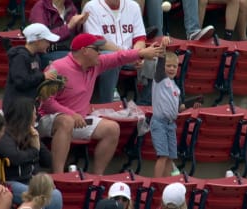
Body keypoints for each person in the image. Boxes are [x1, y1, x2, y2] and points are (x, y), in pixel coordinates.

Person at [37, 33, 163, 174]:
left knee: (112, 128)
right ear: (84, 50)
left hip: (79, 119)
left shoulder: (96, 64)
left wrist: (141, 53)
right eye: (96, 49)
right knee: (66, 122)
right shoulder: (58, 67)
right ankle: (58, 176)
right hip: (49, 119)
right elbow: (46, 103)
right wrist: (71, 115)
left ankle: (97, 178)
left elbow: (118, 57)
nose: (100, 52)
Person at [0, 98, 63, 209]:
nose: (36, 117)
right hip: (10, 182)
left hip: (31, 180)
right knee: (43, 198)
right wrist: (34, 150)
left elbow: (48, 161)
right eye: (34, 114)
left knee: (56, 195)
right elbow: (15, 158)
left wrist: (37, 141)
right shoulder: (4, 134)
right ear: (26, 116)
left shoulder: (31, 134)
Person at [151, 38, 200, 177]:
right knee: (162, 155)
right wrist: (163, 47)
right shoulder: (160, 78)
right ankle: (157, 182)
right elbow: (160, 61)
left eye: (175, 66)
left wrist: (192, 104)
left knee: (170, 157)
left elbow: (180, 108)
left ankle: (166, 183)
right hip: (159, 122)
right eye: (169, 65)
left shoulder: (176, 88)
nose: (172, 68)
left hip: (171, 124)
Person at [82, 0, 148, 103]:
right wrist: (129, 55)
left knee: (155, 59)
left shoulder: (133, 6)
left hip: (131, 56)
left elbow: (140, 38)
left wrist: (137, 55)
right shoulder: (91, 7)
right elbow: (98, 41)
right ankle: (106, 105)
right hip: (104, 53)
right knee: (111, 58)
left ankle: (145, 105)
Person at [2, 23, 59, 113]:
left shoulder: (36, 57)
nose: (49, 44)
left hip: (29, 106)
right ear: (37, 41)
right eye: (47, 41)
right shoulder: (20, 57)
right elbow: (20, 81)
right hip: (17, 108)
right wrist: (43, 76)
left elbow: (33, 80)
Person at [29, 0, 89, 68]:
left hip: (70, 49)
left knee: (94, 57)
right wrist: (68, 27)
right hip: (49, 51)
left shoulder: (69, 5)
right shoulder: (41, 6)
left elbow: (75, 34)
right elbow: (41, 36)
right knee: (82, 59)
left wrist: (79, 25)